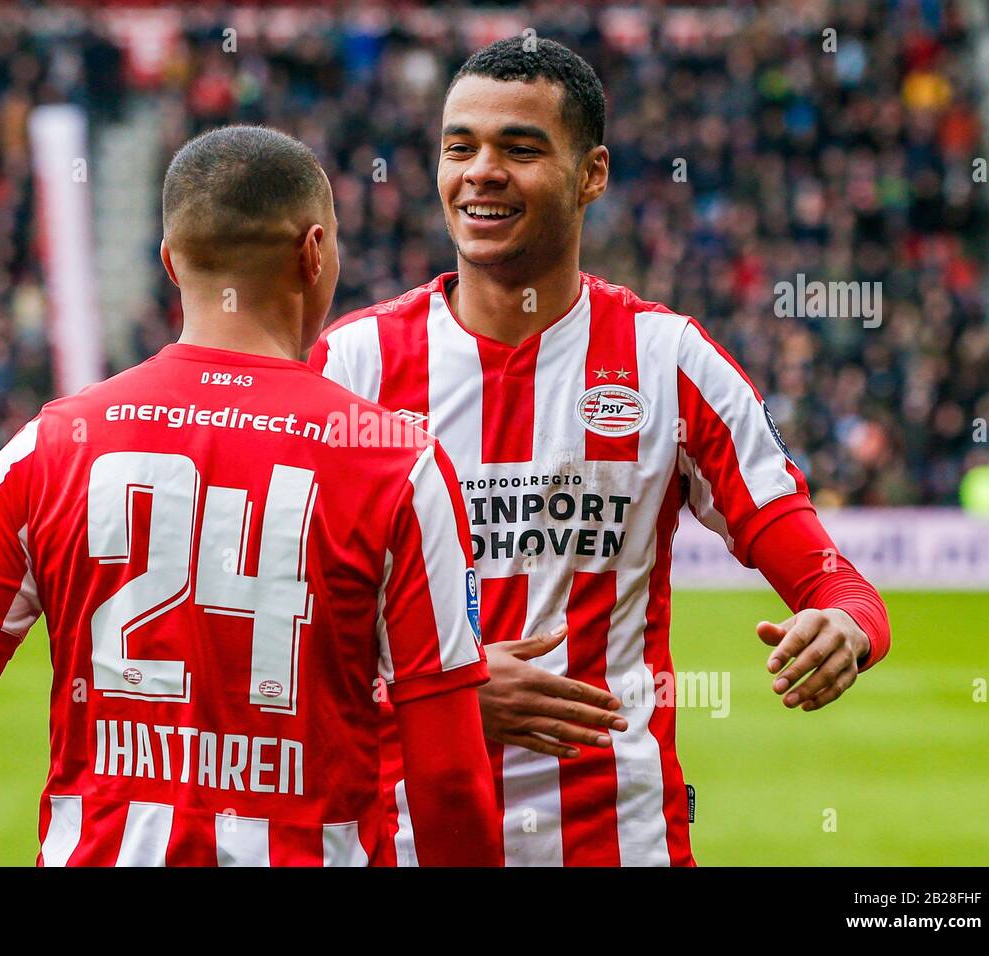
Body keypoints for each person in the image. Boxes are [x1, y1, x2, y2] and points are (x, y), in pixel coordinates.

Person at [311, 38, 891, 866]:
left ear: (593, 175)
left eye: (520, 148)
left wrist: (845, 627)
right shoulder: (352, 368)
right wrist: (441, 694)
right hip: (396, 843)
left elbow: (836, 582)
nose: (480, 171)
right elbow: (278, 646)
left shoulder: (672, 362)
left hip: (617, 842)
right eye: (459, 147)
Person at [0, 125, 501, 867]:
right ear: (314, 252)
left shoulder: (45, 449)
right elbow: (450, 781)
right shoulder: (399, 462)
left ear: (170, 262)